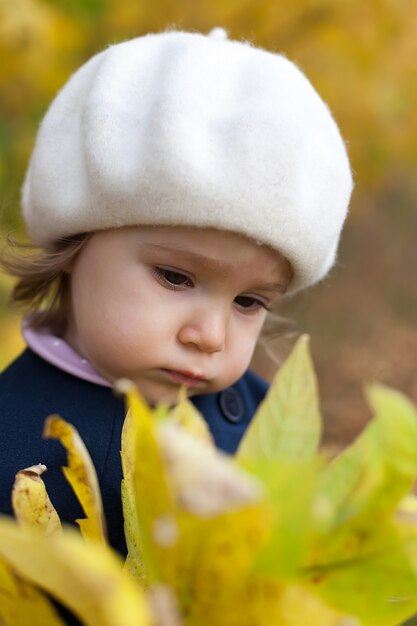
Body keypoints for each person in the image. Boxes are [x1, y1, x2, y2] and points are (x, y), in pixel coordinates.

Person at [0, 28, 353, 557]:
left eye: (249, 301)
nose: (209, 336)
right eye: (175, 277)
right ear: (73, 248)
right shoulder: (15, 442)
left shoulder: (264, 416)